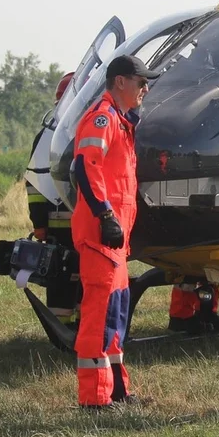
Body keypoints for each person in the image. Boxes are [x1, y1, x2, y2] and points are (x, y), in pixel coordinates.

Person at [70, 54, 159, 410]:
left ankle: (118, 391)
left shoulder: (121, 122)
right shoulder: (104, 118)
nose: (145, 89)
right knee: (100, 317)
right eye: (140, 82)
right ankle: (94, 399)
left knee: (117, 314)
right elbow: (84, 165)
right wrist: (105, 215)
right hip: (100, 237)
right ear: (120, 82)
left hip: (115, 242)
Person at [25, 72, 79, 325]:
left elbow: (33, 186)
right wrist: (39, 224)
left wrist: (40, 223)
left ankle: (71, 327)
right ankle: (67, 328)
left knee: (64, 277)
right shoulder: (86, 129)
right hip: (78, 225)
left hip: (65, 225)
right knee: (65, 276)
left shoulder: (48, 135)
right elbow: (35, 184)